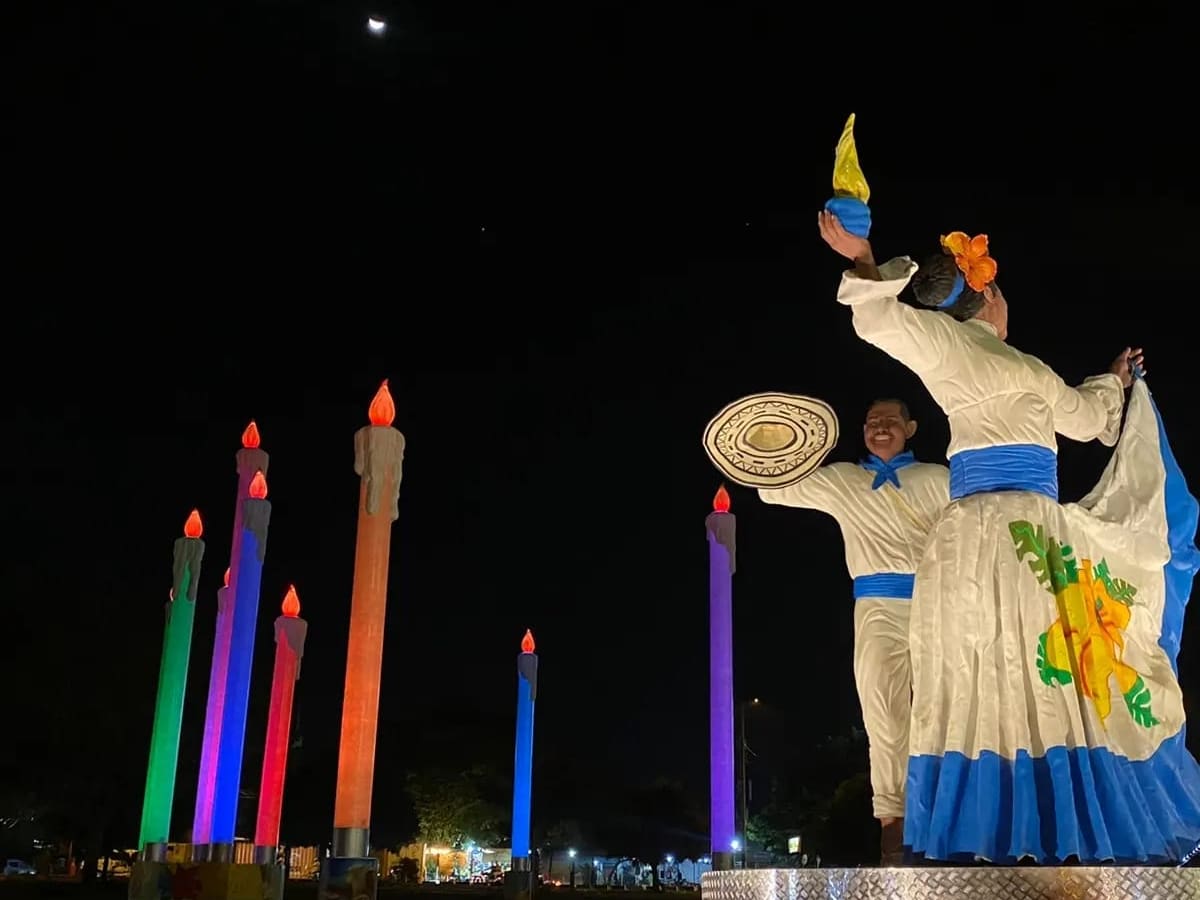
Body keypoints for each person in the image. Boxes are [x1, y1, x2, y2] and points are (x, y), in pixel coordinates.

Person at [817, 208, 1200, 863]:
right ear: (988, 296)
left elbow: (1085, 414)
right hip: (1024, 532)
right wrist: (862, 256)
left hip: (980, 538)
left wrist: (864, 260)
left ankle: (998, 825)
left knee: (987, 672)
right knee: (1031, 673)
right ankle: (1041, 821)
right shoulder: (972, 349)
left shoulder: (997, 359)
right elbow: (1087, 419)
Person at [759, 398, 949, 864]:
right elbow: (775, 490)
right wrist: (768, 447)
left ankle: (946, 815)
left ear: (911, 427)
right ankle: (893, 822)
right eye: (871, 423)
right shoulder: (844, 480)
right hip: (875, 606)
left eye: (890, 422)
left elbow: (982, 519)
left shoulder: (938, 480)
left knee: (942, 709)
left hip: (936, 605)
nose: (880, 428)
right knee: (883, 709)